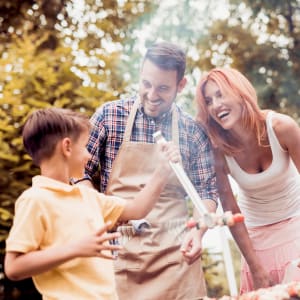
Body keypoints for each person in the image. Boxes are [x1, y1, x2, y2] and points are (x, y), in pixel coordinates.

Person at [79, 41, 218, 299]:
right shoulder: (109, 116)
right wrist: (98, 217)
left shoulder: (193, 131)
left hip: (176, 260)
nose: (152, 94)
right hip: (118, 253)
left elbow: (207, 193)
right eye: (146, 84)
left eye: (163, 88)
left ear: (181, 85)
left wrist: (198, 232)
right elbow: (78, 173)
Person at [4, 107, 181, 300]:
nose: (89, 156)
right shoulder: (35, 200)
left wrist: (163, 170)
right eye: (86, 147)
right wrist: (75, 249)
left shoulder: (89, 197)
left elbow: (137, 209)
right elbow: (13, 267)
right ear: (67, 147)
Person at [195, 67, 300, 293]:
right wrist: (255, 267)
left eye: (221, 94)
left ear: (240, 92)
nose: (215, 105)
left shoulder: (282, 127)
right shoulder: (219, 151)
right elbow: (231, 209)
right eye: (209, 101)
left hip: (296, 225)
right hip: (256, 241)